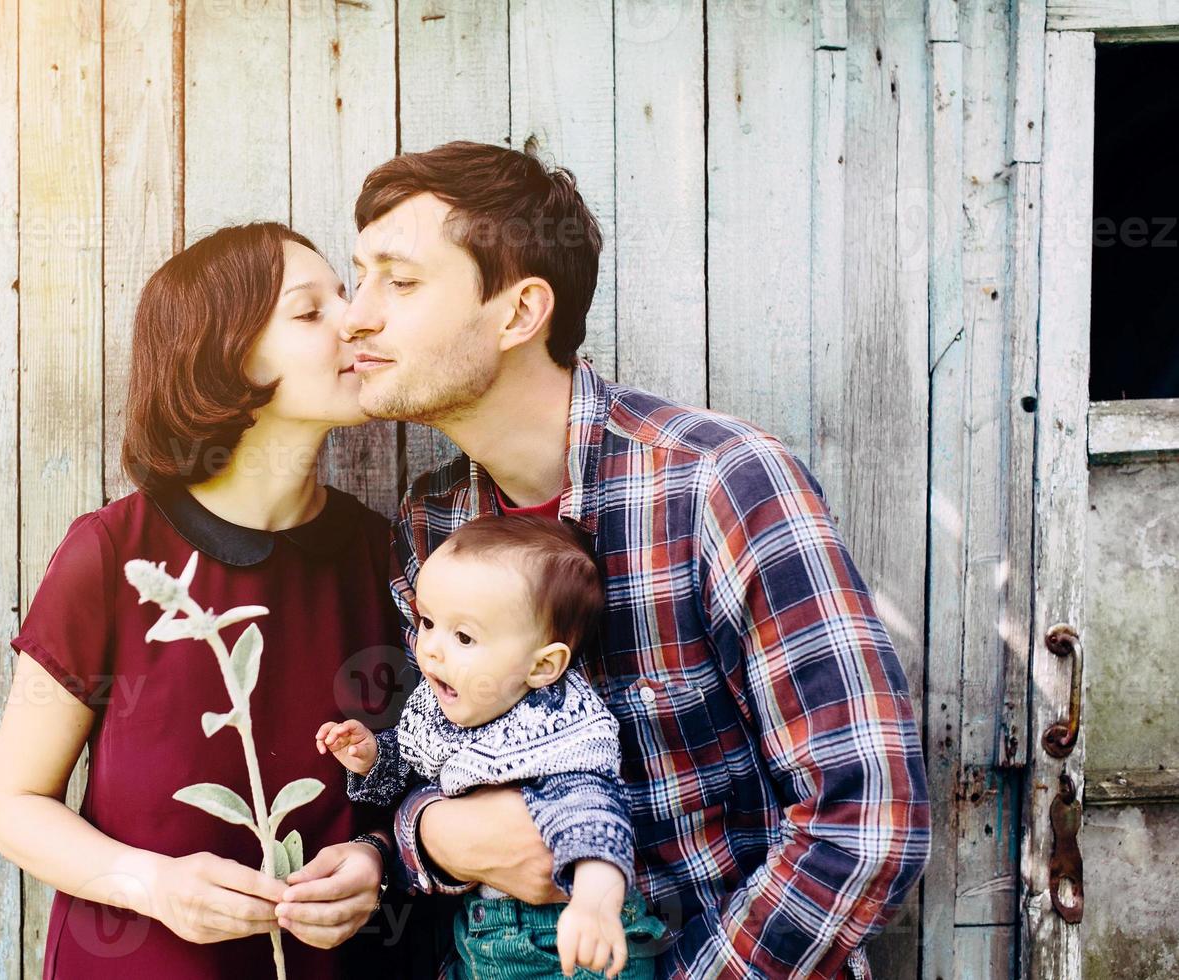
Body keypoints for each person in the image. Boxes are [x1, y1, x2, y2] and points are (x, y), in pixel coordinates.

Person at [340, 141, 933, 979]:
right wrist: (426, 831)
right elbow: (427, 760)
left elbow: (866, 820)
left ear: (518, 314)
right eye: (357, 275)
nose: (355, 314)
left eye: (397, 282)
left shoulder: (718, 485)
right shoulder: (432, 522)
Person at [0, 222, 426, 977]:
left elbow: (420, 770)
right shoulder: (112, 555)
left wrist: (374, 860)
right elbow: (14, 806)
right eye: (309, 311)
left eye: (340, 298)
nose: (351, 320)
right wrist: (154, 885)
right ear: (225, 356)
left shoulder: (384, 554)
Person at [318, 515, 670, 978]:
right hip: (482, 937)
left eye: (464, 637)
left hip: (564, 941)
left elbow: (593, 814)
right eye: (427, 622)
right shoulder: (454, 705)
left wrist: (594, 901)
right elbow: (415, 770)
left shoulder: (553, 727)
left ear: (543, 666)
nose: (433, 649)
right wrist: (372, 759)